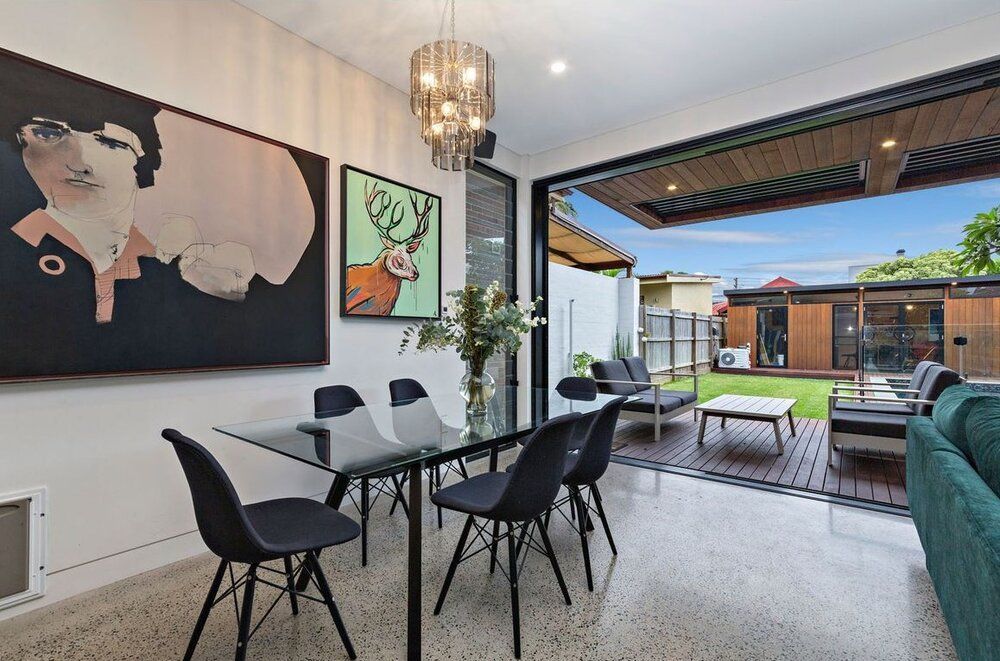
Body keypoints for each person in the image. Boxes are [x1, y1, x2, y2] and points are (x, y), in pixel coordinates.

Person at [0, 55, 326, 380]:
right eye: (49, 135)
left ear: (143, 165)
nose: (79, 163)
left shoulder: (174, 268)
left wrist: (228, 297)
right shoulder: (14, 254)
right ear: (21, 144)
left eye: (110, 143)